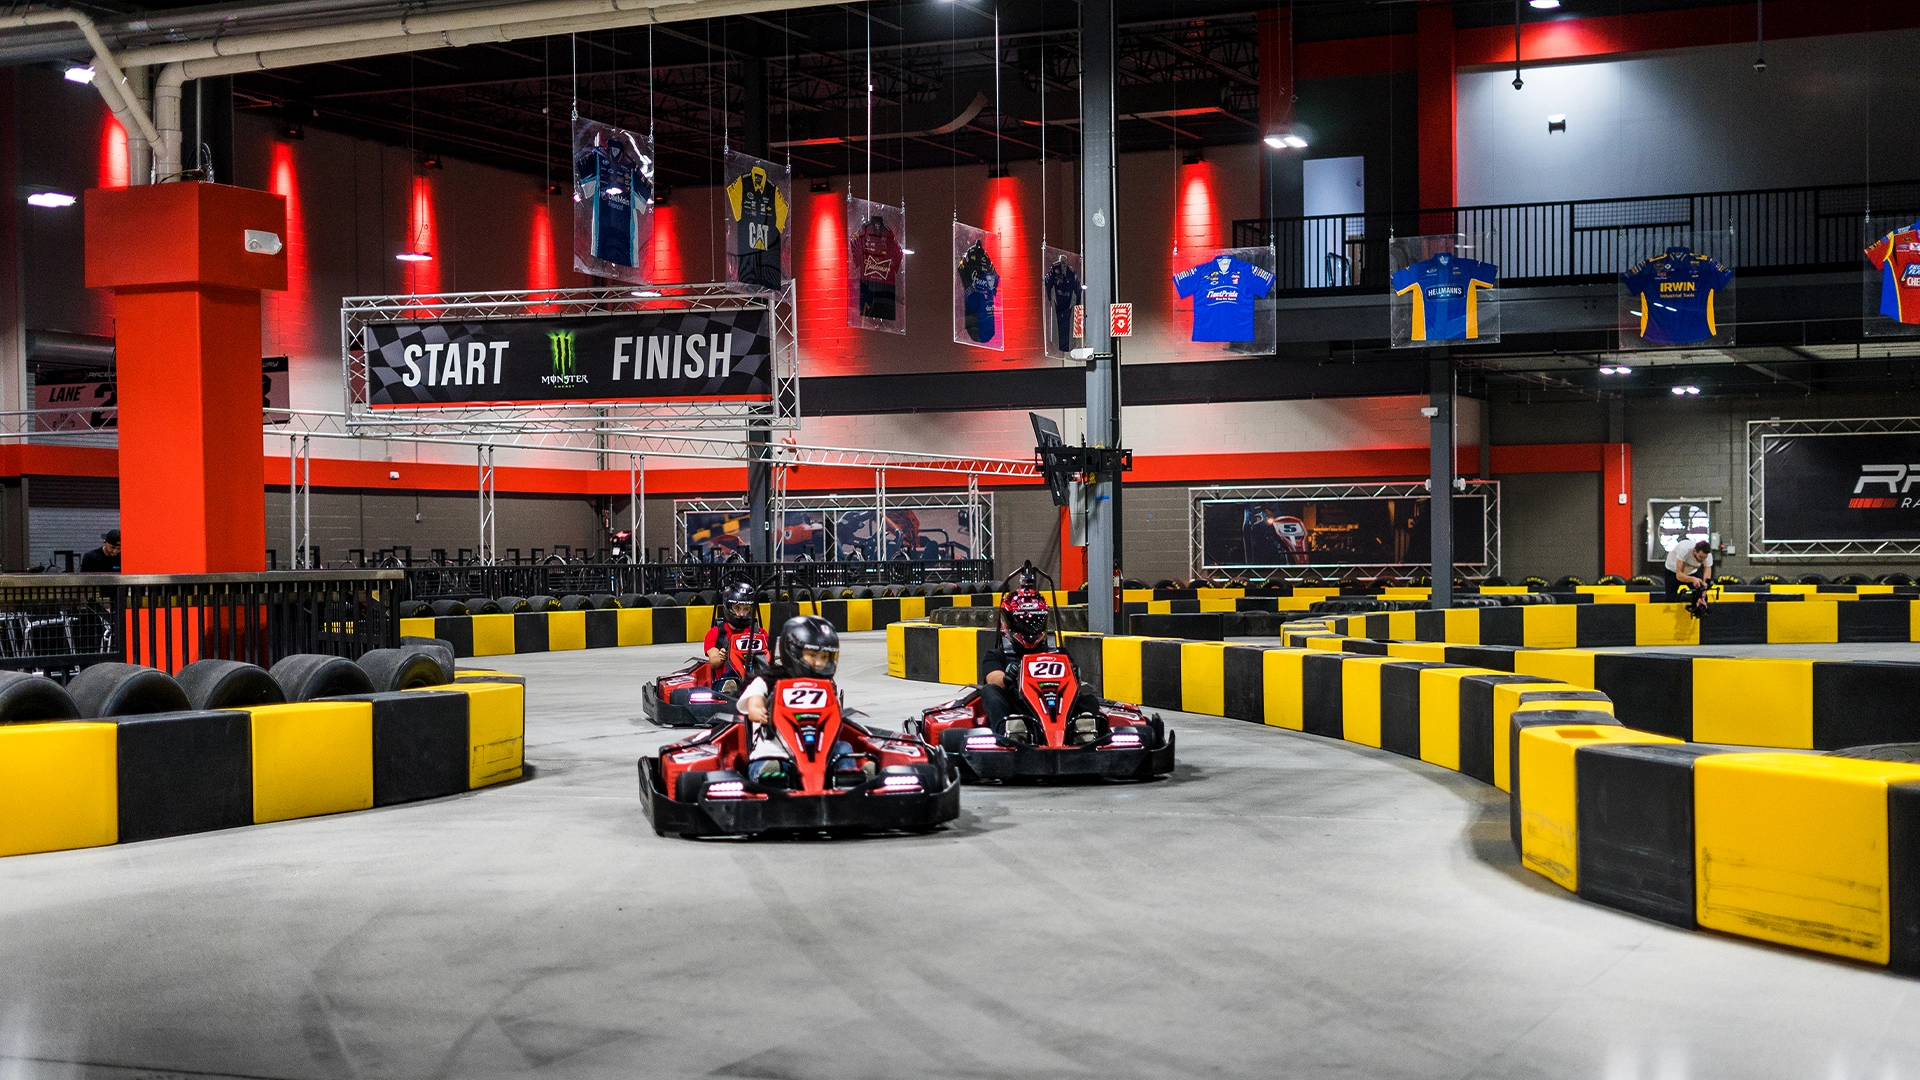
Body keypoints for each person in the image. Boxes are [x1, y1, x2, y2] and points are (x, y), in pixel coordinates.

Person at [738, 615, 867, 786]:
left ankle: (849, 776)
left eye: (825, 656)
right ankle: (769, 778)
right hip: (777, 750)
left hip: (820, 753)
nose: (820, 663)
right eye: (812, 655)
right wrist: (757, 708)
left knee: (843, 749)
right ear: (793, 652)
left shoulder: (825, 687)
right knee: (768, 762)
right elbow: (753, 702)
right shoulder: (768, 681)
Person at [979, 587, 1099, 744]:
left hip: (1059, 707)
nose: (1030, 629)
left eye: (1036, 621)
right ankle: (1010, 733)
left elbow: (1074, 684)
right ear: (1007, 624)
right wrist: (1009, 676)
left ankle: (1081, 732)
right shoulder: (997, 655)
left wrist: (1074, 674)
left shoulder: (1059, 653)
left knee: (1091, 699)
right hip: (1019, 709)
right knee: (989, 692)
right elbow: (994, 679)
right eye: (1023, 623)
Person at [703, 581, 767, 690]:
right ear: (728, 607)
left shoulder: (760, 633)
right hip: (724, 681)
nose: (742, 614)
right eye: (737, 608)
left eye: (746, 609)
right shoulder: (716, 633)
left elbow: (768, 659)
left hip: (756, 679)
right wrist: (723, 656)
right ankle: (730, 688)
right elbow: (713, 662)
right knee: (731, 677)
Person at [1664, 538, 1713, 609]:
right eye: (1700, 557)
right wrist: (1693, 579)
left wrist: (1702, 597)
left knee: (1701, 594)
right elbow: (1679, 575)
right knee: (1671, 599)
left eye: (1704, 558)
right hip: (1672, 571)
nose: (1702, 560)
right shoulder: (1684, 550)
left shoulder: (1708, 556)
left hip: (1691, 572)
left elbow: (1706, 580)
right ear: (1694, 551)